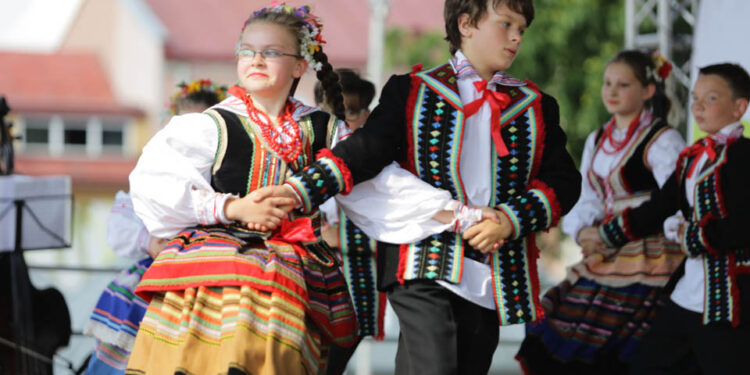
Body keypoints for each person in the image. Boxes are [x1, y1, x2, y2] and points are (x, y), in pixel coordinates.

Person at [257, 0, 582, 373]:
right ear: (466, 24)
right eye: (506, 24)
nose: (516, 38)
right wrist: (298, 191)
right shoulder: (413, 91)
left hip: (491, 268)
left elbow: (564, 181)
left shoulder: (534, 105)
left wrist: (510, 219)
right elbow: (365, 151)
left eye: (522, 30)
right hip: (423, 258)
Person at [124, 4, 359, 374]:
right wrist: (233, 209)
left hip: (291, 262)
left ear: (300, 65)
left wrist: (459, 216)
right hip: (214, 260)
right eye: (247, 51)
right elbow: (153, 184)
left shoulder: (326, 131)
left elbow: (381, 189)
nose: (256, 60)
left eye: (271, 52)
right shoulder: (211, 125)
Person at [515, 50, 686, 374]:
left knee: (625, 343)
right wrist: (584, 232)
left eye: (623, 84)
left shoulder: (663, 139)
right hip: (605, 249)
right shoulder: (599, 137)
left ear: (648, 91)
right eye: (608, 83)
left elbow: (677, 199)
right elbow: (588, 195)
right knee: (551, 317)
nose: (612, 91)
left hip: (648, 253)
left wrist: (618, 230)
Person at [594, 63, 750, 375]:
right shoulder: (693, 156)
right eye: (695, 99)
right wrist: (605, 235)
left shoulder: (745, 156)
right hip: (687, 293)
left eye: (711, 99)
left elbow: (744, 226)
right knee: (648, 364)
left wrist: (690, 236)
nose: (699, 107)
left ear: (739, 107)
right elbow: (660, 206)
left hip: (728, 300)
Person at [82, 79, 226, 375]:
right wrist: (148, 241)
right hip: (151, 277)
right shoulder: (148, 184)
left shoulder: (222, 188)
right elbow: (118, 231)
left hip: (203, 277)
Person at [314, 68, 385, 375]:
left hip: (355, 288)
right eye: (334, 112)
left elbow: (394, 224)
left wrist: (341, 237)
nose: (343, 121)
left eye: (352, 112)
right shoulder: (299, 155)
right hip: (306, 285)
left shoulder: (378, 166)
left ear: (366, 115)